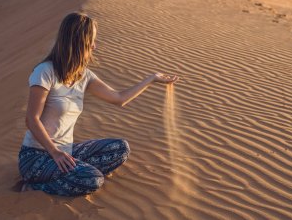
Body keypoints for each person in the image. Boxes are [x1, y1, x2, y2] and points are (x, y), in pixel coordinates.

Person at [18, 12, 179, 196]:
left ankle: (70, 173)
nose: (94, 46)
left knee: (120, 148)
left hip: (66, 152)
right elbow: (31, 119)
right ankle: (35, 187)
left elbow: (119, 98)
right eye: (91, 40)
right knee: (93, 180)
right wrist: (54, 152)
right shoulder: (45, 72)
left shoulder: (83, 76)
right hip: (36, 156)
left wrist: (152, 79)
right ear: (78, 41)